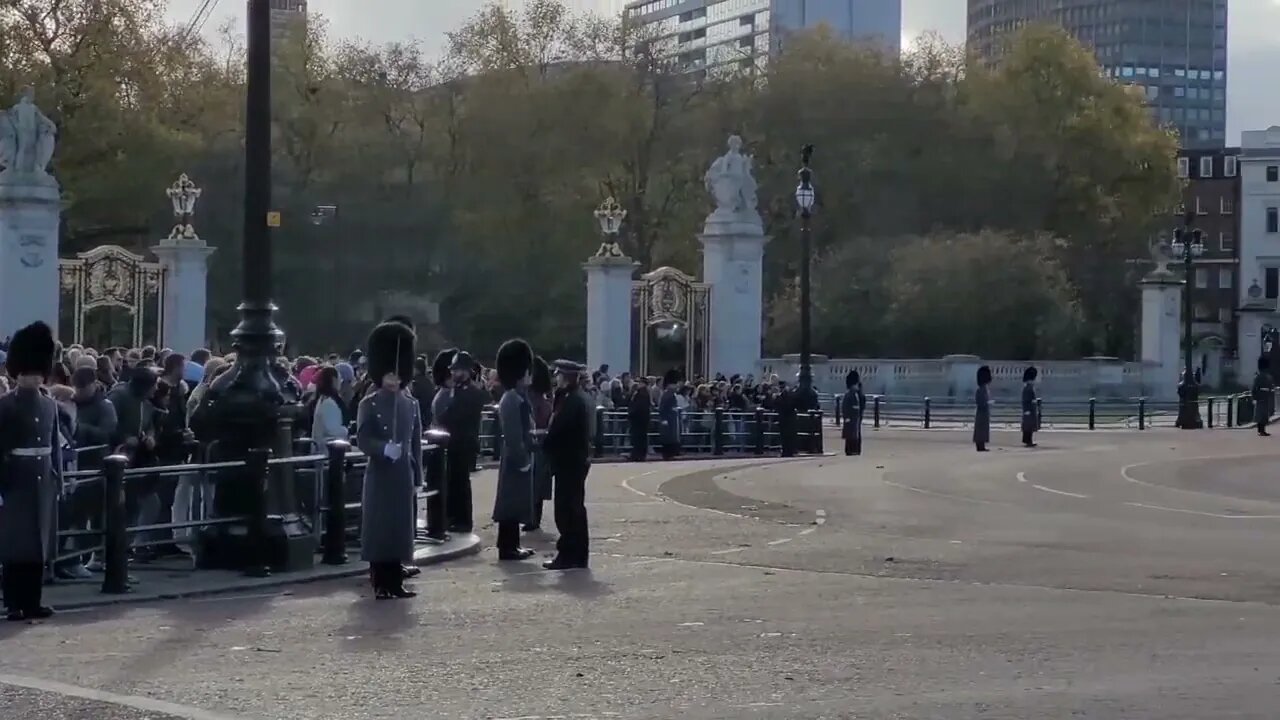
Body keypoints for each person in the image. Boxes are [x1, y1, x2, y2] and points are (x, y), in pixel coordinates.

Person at [0, 321, 63, 621]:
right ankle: (14, 602)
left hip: (42, 480)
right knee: (16, 545)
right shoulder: (5, 406)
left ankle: (33, 600)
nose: (33, 378)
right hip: (16, 480)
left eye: (37, 373)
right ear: (17, 373)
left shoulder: (49, 405)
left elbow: (54, 445)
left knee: (39, 545)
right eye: (27, 373)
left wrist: (58, 480)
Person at [355, 320, 422, 599]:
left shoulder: (411, 404)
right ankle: (380, 581)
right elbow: (363, 439)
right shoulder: (368, 403)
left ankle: (394, 580)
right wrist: (383, 449)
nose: (394, 380)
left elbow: (415, 442)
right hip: (380, 474)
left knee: (398, 528)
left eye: (398, 374)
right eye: (389, 375)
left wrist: (417, 474)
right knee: (380, 527)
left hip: (402, 474)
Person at [542, 360, 592, 570]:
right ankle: (577, 555)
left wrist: (544, 440)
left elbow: (560, 430)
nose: (556, 378)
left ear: (567, 377)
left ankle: (568, 554)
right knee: (574, 508)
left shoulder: (572, 401)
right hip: (574, 460)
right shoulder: (576, 397)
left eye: (559, 375)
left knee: (566, 511)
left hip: (569, 461)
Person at [492, 339, 537, 560]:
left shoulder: (517, 397)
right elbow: (513, 435)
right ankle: (508, 547)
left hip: (518, 458)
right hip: (514, 461)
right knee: (510, 505)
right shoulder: (511, 399)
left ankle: (512, 544)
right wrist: (522, 460)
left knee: (515, 504)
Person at [440, 350, 487, 534]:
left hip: (464, 442)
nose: (454, 373)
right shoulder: (458, 390)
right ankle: (453, 517)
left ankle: (462, 520)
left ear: (467, 371)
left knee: (461, 483)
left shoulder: (471, 393)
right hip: (455, 442)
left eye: (458, 370)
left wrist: (444, 418)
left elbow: (455, 416)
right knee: (453, 481)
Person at [525, 356, 554, 532]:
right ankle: (533, 517)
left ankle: (533, 518)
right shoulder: (540, 398)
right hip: (540, 444)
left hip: (538, 444)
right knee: (536, 485)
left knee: (535, 484)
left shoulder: (535, 399)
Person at [658, 369, 681, 460]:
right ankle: (668, 454)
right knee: (669, 437)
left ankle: (671, 453)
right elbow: (663, 408)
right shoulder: (668, 394)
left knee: (672, 437)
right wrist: (664, 419)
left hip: (672, 418)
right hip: (668, 420)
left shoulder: (671, 393)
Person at [627, 376, 651, 462]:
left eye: (640, 383)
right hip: (641, 419)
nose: (638, 384)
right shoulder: (641, 392)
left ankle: (637, 455)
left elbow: (638, 406)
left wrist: (631, 413)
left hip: (639, 419)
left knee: (638, 437)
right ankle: (639, 454)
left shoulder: (642, 393)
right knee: (639, 437)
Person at [841, 370, 864, 456]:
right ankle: (853, 449)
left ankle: (853, 449)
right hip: (852, 416)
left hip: (854, 416)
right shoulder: (851, 394)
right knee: (852, 433)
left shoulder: (853, 393)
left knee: (853, 433)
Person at [1253, 357, 1275, 437]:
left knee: (1264, 415)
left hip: (1264, 397)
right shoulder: (1260, 377)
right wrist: (1255, 397)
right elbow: (1255, 388)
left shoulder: (1263, 376)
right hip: (1262, 397)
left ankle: (1262, 430)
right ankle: (1261, 430)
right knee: (1261, 415)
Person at [974, 365, 992, 452]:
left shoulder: (983, 389)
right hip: (982, 412)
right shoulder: (981, 390)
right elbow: (980, 402)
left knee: (983, 429)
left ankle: (982, 445)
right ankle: (980, 445)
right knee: (981, 429)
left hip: (984, 412)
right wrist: (987, 403)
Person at [1021, 365, 1039, 448]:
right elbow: (1025, 400)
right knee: (1028, 426)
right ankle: (1028, 441)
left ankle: (1029, 441)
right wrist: (1027, 409)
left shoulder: (1030, 387)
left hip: (1031, 409)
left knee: (1030, 426)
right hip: (1029, 409)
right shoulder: (1027, 388)